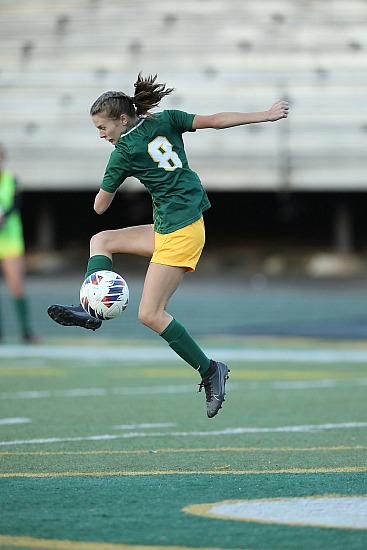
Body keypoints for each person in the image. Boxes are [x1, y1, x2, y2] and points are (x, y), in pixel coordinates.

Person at [48, 73, 289, 418]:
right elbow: (216, 121)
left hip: (181, 233)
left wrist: (116, 174)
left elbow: (99, 207)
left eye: (102, 128)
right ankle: (93, 310)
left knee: (150, 314)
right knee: (101, 241)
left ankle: (210, 370)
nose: (101, 135)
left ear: (122, 119)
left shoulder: (123, 152)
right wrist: (265, 115)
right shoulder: (166, 118)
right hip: (175, 225)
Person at [0, 144, 38, 343]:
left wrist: (4, 216)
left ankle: (26, 331)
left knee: (16, 287)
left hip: (10, 242)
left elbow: (15, 204)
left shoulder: (10, 180)